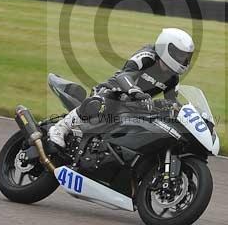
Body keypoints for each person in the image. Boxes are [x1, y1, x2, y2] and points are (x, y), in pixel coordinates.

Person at [47, 27, 195, 148]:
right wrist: (135, 91)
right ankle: (60, 128)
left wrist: (188, 116)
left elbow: (173, 102)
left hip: (134, 106)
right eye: (181, 55)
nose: (184, 60)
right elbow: (124, 76)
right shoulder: (148, 56)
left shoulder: (173, 78)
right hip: (112, 91)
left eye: (186, 57)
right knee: (99, 103)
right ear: (167, 48)